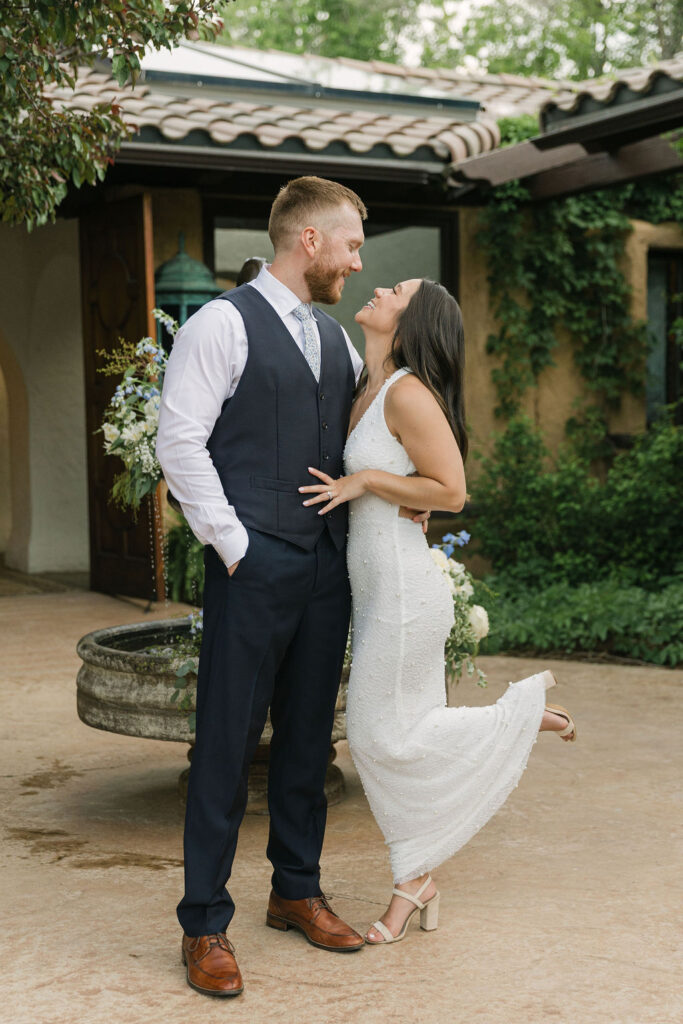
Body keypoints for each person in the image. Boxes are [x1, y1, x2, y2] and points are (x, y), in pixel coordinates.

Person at [156, 177, 429, 996]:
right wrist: (236, 546)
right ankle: (204, 922)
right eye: (348, 244)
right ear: (306, 241)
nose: (355, 261)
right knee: (227, 746)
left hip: (325, 570)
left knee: (309, 740)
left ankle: (295, 891)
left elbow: (359, 441)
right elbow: (180, 440)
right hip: (253, 566)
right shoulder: (219, 324)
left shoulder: (339, 340)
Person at [298, 278, 577, 945]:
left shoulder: (407, 391)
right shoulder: (367, 382)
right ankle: (413, 884)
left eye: (396, 289)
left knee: (374, 737)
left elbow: (450, 489)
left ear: (411, 319)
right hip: (377, 591)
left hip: (401, 592)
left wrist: (366, 480)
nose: (377, 286)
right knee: (393, 733)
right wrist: (386, 483)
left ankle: (517, 717)